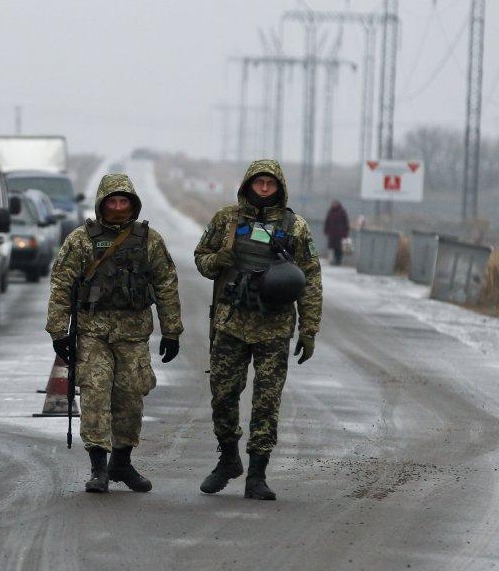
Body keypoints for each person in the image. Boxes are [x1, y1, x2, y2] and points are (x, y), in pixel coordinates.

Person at [193, 159, 322, 500]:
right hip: (231, 322)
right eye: (259, 182)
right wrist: (215, 261)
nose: (265, 188)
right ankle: (228, 458)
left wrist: (309, 328)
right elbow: (201, 257)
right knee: (223, 395)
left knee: (266, 402)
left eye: (271, 183)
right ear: (248, 184)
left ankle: (257, 473)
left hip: (274, 326)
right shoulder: (226, 220)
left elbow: (310, 278)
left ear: (279, 187)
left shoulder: (295, 227)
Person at [47, 173, 183, 493]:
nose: (118, 207)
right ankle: (98, 468)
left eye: (124, 201)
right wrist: (58, 332)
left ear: (133, 204)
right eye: (112, 201)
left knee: (130, 397)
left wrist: (172, 331)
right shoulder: (81, 240)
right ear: (101, 204)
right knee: (94, 393)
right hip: (93, 331)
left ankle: (121, 462)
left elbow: (166, 285)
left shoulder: (150, 241)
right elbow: (62, 285)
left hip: (133, 333)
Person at [323, 199, 350, 266]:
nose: (334, 205)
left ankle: (338, 260)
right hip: (332, 233)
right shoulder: (330, 212)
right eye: (333, 204)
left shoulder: (342, 212)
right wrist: (326, 230)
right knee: (332, 248)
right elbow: (327, 221)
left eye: (335, 204)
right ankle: (333, 260)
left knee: (339, 248)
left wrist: (345, 232)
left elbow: (346, 223)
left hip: (340, 233)